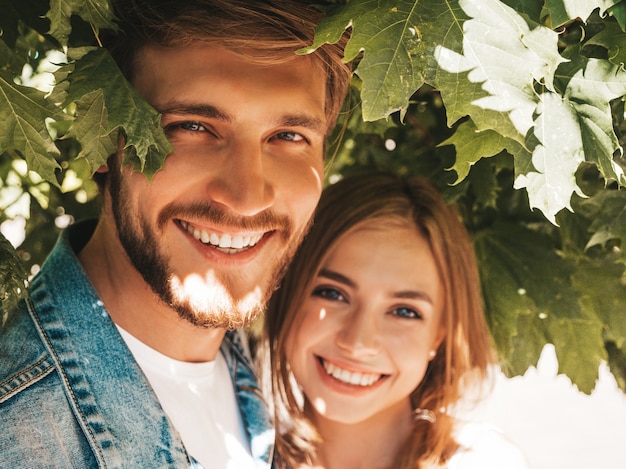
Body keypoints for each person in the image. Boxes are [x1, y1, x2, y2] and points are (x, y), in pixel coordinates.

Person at [0, 1, 352, 467]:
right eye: (193, 127)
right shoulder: (19, 437)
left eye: (288, 136)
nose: (247, 197)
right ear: (103, 135)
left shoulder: (271, 376)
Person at [264, 172, 531, 468]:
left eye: (404, 311)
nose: (358, 343)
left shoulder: (484, 463)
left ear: (439, 335)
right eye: (332, 293)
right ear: (288, 293)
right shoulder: (234, 455)